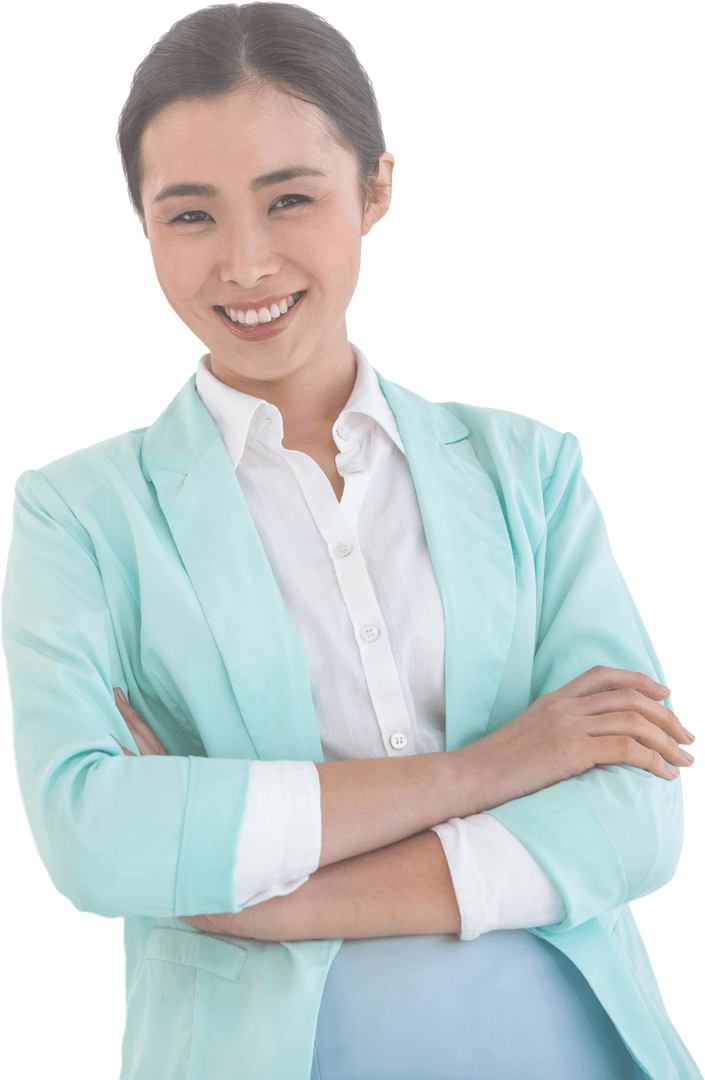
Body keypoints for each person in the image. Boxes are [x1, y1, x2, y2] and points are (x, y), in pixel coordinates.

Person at [1, 3, 701, 1079]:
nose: (245, 261)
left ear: (375, 189)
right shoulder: (78, 515)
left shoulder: (528, 470)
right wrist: (501, 767)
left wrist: (283, 900)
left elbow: (638, 818)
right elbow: (95, 834)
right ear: (140, 224)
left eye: (291, 198)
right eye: (190, 216)